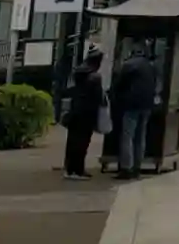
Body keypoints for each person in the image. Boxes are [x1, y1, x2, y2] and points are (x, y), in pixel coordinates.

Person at [111, 41, 158, 178]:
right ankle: (137, 166)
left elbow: (119, 84)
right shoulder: (150, 66)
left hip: (131, 104)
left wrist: (116, 98)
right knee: (140, 136)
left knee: (127, 136)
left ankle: (126, 168)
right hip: (147, 105)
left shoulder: (128, 65)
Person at [62, 49, 105, 180]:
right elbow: (99, 97)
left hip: (75, 111)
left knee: (73, 141)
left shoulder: (78, 72)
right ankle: (78, 170)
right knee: (83, 143)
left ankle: (71, 169)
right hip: (88, 113)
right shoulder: (95, 77)